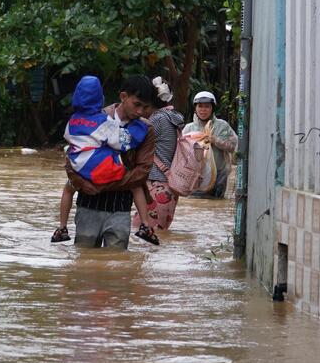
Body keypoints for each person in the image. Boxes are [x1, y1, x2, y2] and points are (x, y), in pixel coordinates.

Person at [52, 76, 159, 245]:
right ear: (123, 97)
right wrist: (82, 183)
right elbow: (70, 161)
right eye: (137, 104)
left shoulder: (147, 129)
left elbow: (143, 171)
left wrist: (100, 184)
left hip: (120, 207)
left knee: (116, 263)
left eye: (145, 107)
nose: (140, 111)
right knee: (85, 259)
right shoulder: (97, 119)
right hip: (89, 204)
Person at [132, 76, 185, 231]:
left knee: (142, 232)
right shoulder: (172, 117)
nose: (140, 110)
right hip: (168, 186)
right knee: (157, 235)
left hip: (156, 184)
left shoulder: (157, 119)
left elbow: (133, 141)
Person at [183, 91, 238, 199]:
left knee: (216, 203)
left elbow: (233, 147)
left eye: (207, 106)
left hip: (219, 177)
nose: (203, 110)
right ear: (195, 108)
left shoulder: (222, 126)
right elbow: (182, 153)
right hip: (195, 178)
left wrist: (215, 140)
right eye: (200, 106)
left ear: (212, 108)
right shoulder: (189, 128)